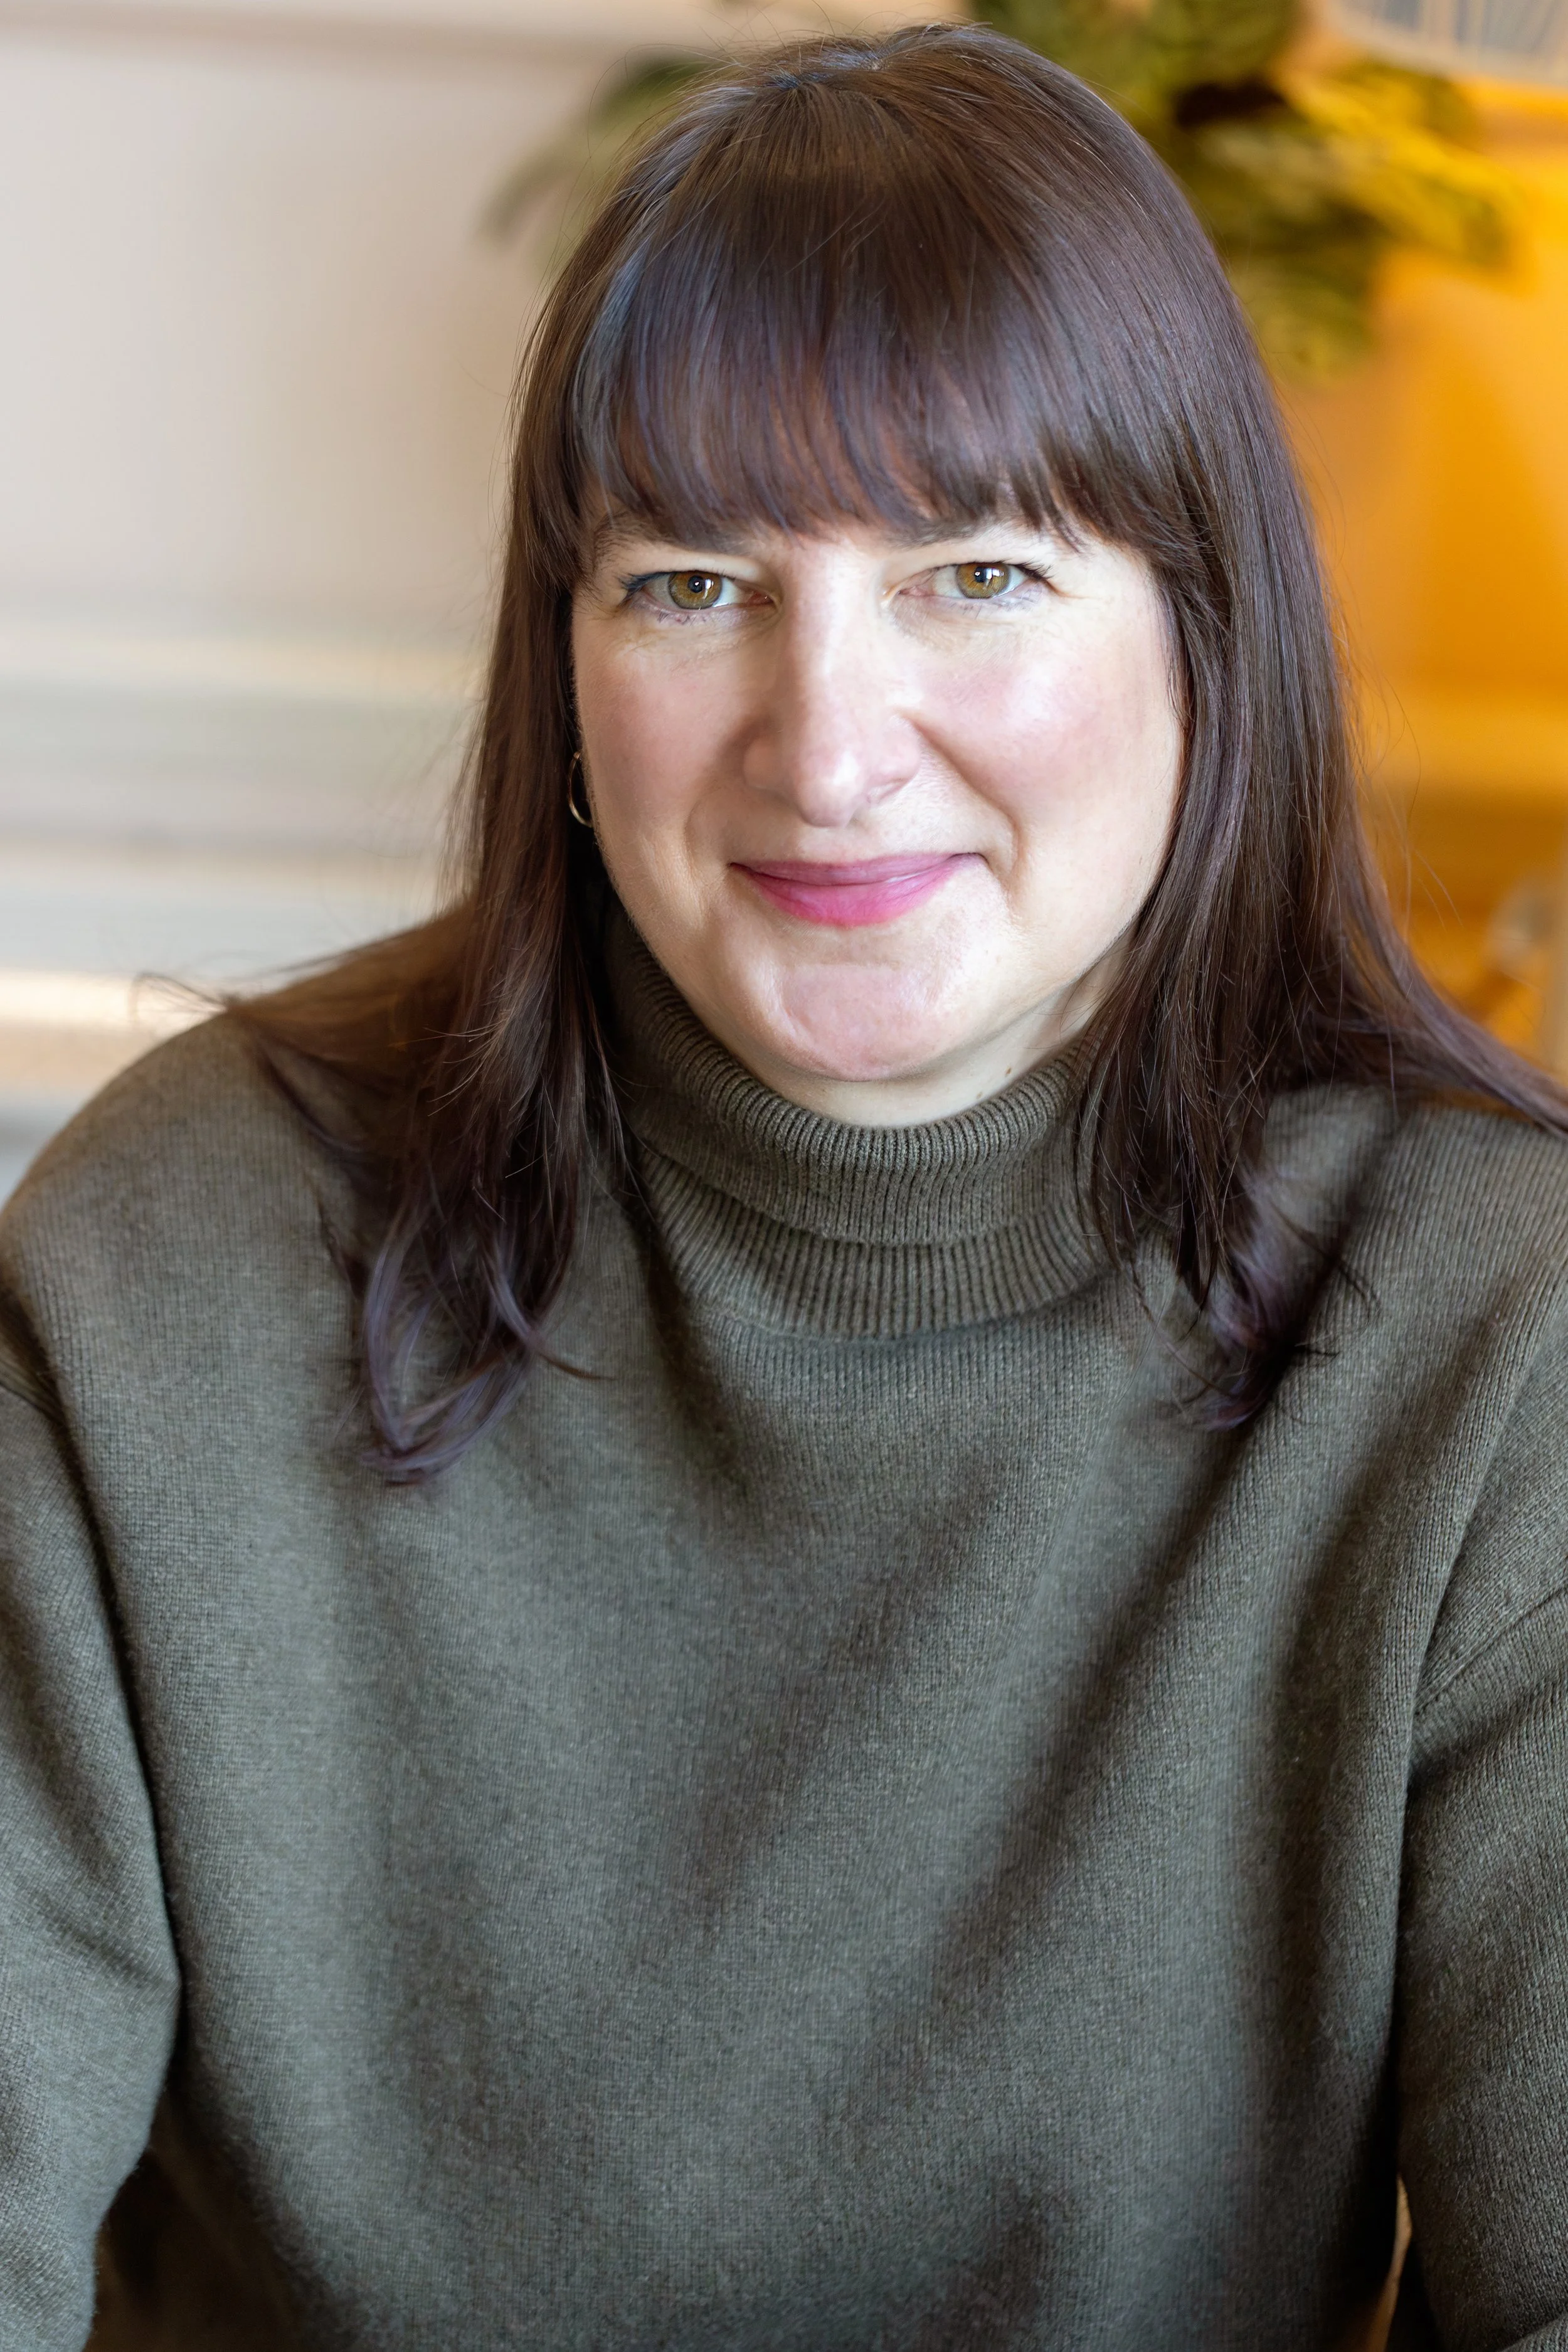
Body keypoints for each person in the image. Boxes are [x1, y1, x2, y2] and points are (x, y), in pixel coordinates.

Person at [2, 23, 1565, 2348]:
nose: (825, 748)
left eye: (976, 571)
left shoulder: (1487, 1329)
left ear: (1207, 641)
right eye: (691, 584)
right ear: (567, 659)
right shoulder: (173, 1259)